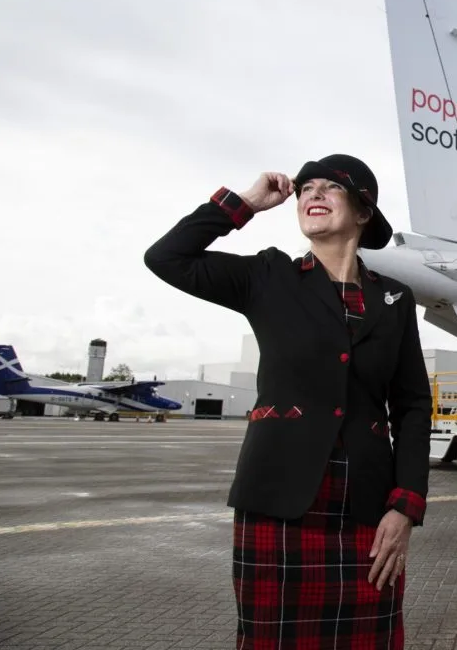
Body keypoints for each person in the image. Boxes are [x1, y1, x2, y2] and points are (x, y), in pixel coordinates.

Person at [143, 154, 432, 649]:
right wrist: (247, 204)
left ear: (363, 212)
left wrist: (405, 507)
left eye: (331, 187)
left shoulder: (394, 299)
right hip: (279, 505)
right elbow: (167, 257)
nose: (312, 194)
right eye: (306, 188)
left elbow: (412, 406)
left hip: (367, 510)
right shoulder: (269, 276)